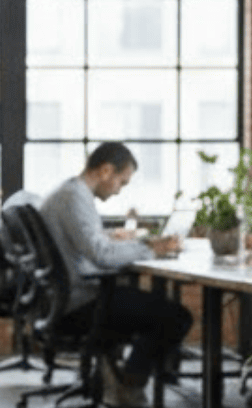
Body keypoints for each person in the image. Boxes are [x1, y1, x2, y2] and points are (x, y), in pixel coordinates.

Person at [38, 142, 192, 386]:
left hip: (62, 299)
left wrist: (109, 235)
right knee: (176, 317)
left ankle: (121, 379)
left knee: (157, 307)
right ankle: (128, 386)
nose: (119, 191)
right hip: (80, 304)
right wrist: (151, 248)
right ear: (106, 171)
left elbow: (87, 242)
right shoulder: (74, 198)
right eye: (122, 182)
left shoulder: (68, 192)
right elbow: (102, 255)